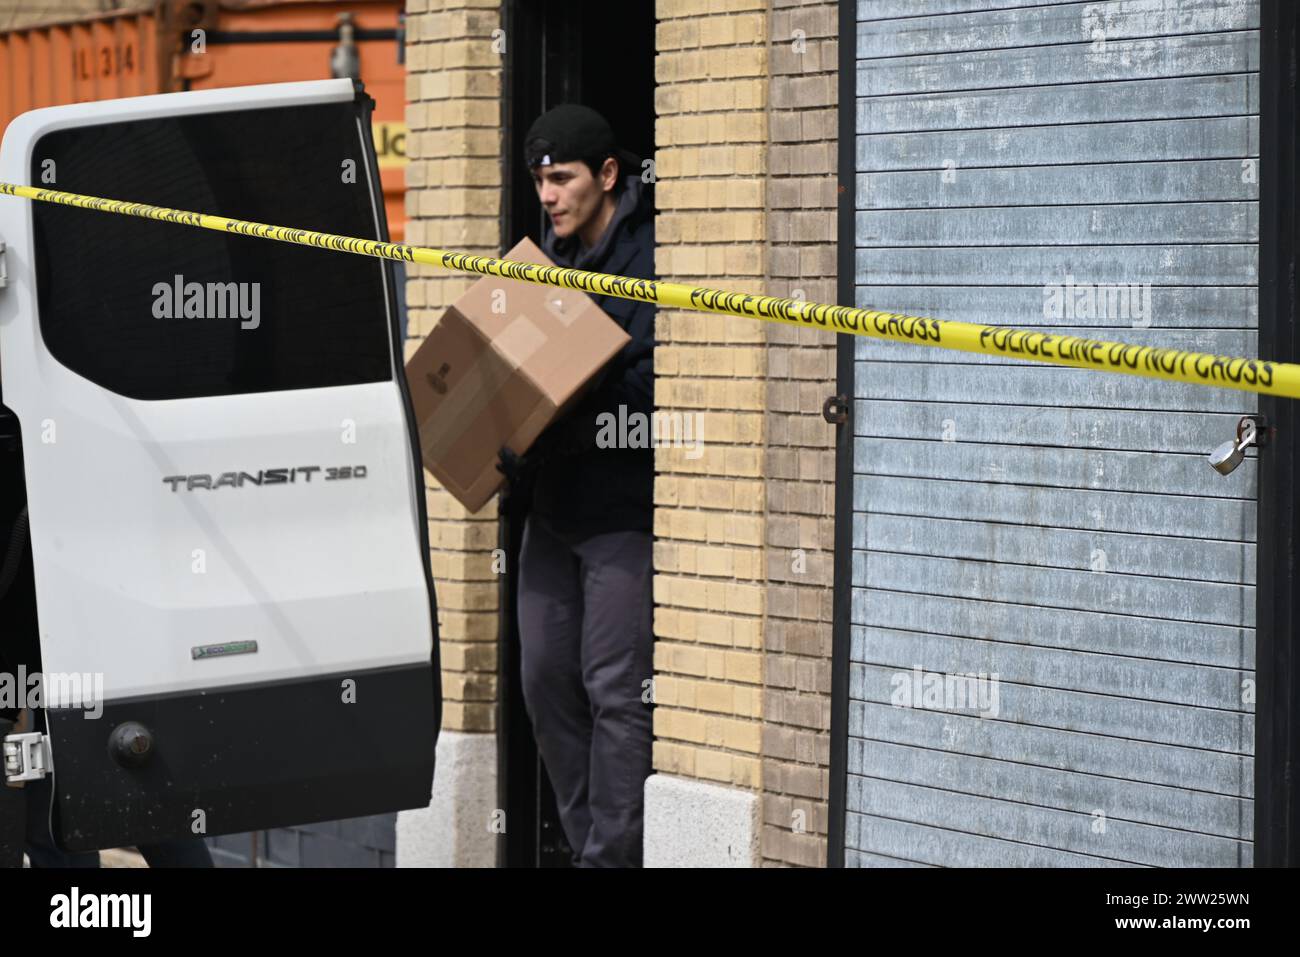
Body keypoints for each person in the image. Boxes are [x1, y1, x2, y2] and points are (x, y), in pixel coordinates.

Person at [499, 104, 655, 868]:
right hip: (551, 510)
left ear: (608, 176)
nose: (549, 196)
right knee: (543, 681)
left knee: (615, 690)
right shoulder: (537, 265)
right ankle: (592, 836)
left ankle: (610, 860)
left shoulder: (652, 260)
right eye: (539, 181)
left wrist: (579, 384)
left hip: (621, 512)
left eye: (561, 179)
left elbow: (662, 386)